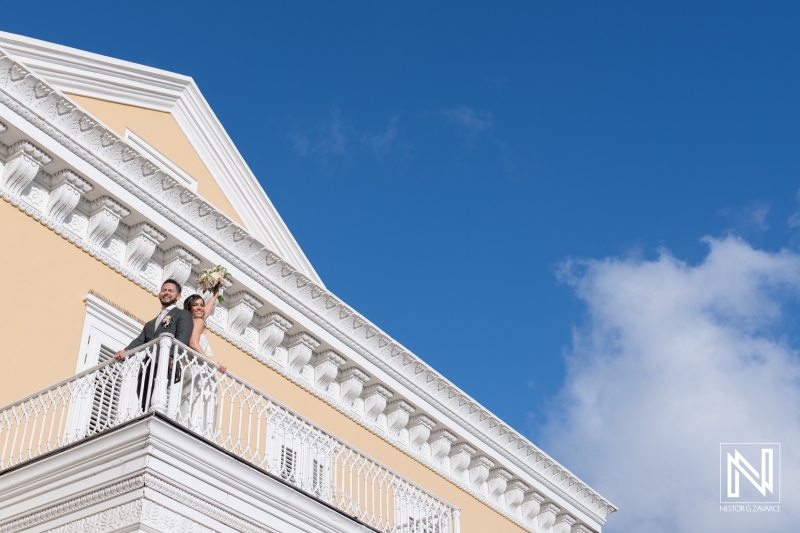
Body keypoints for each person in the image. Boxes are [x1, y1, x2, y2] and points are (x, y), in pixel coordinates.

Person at [114, 279, 193, 410]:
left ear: (178, 296)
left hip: (166, 363)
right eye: (164, 290)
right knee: (145, 400)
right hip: (148, 366)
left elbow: (182, 337)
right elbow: (140, 340)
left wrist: (173, 357)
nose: (166, 293)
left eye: (170, 291)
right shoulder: (151, 323)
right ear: (159, 294)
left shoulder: (182, 314)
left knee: (158, 398)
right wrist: (125, 352)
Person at [180, 286, 227, 436]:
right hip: (199, 369)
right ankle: (199, 432)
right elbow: (194, 343)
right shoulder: (198, 323)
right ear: (189, 308)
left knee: (189, 401)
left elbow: (205, 311)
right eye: (196, 305)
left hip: (191, 369)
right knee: (201, 403)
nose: (200, 308)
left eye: (202, 304)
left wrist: (214, 295)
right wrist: (211, 363)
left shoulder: (190, 323)